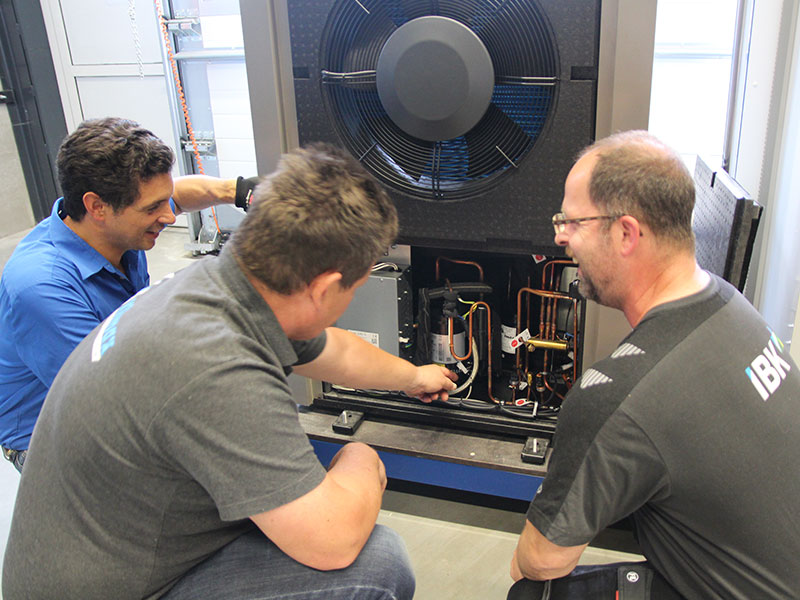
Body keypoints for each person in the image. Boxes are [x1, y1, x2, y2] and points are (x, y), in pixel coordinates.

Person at [2, 143, 457, 600]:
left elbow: (329, 348)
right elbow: (333, 541)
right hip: (119, 586)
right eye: (354, 290)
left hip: (121, 546)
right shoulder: (214, 366)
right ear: (322, 288)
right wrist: (361, 458)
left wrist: (415, 377)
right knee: (377, 566)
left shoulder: (226, 285)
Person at [508, 131, 800, 599]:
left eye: (573, 221)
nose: (559, 235)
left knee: (530, 594)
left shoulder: (615, 394)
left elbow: (539, 561)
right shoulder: (730, 303)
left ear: (626, 233)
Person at [0, 117, 257, 471]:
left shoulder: (110, 226)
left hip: (111, 384)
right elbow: (112, 401)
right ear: (97, 207)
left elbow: (175, 195)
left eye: (165, 201)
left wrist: (239, 190)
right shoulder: (42, 286)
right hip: (56, 439)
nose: (168, 216)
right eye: (152, 209)